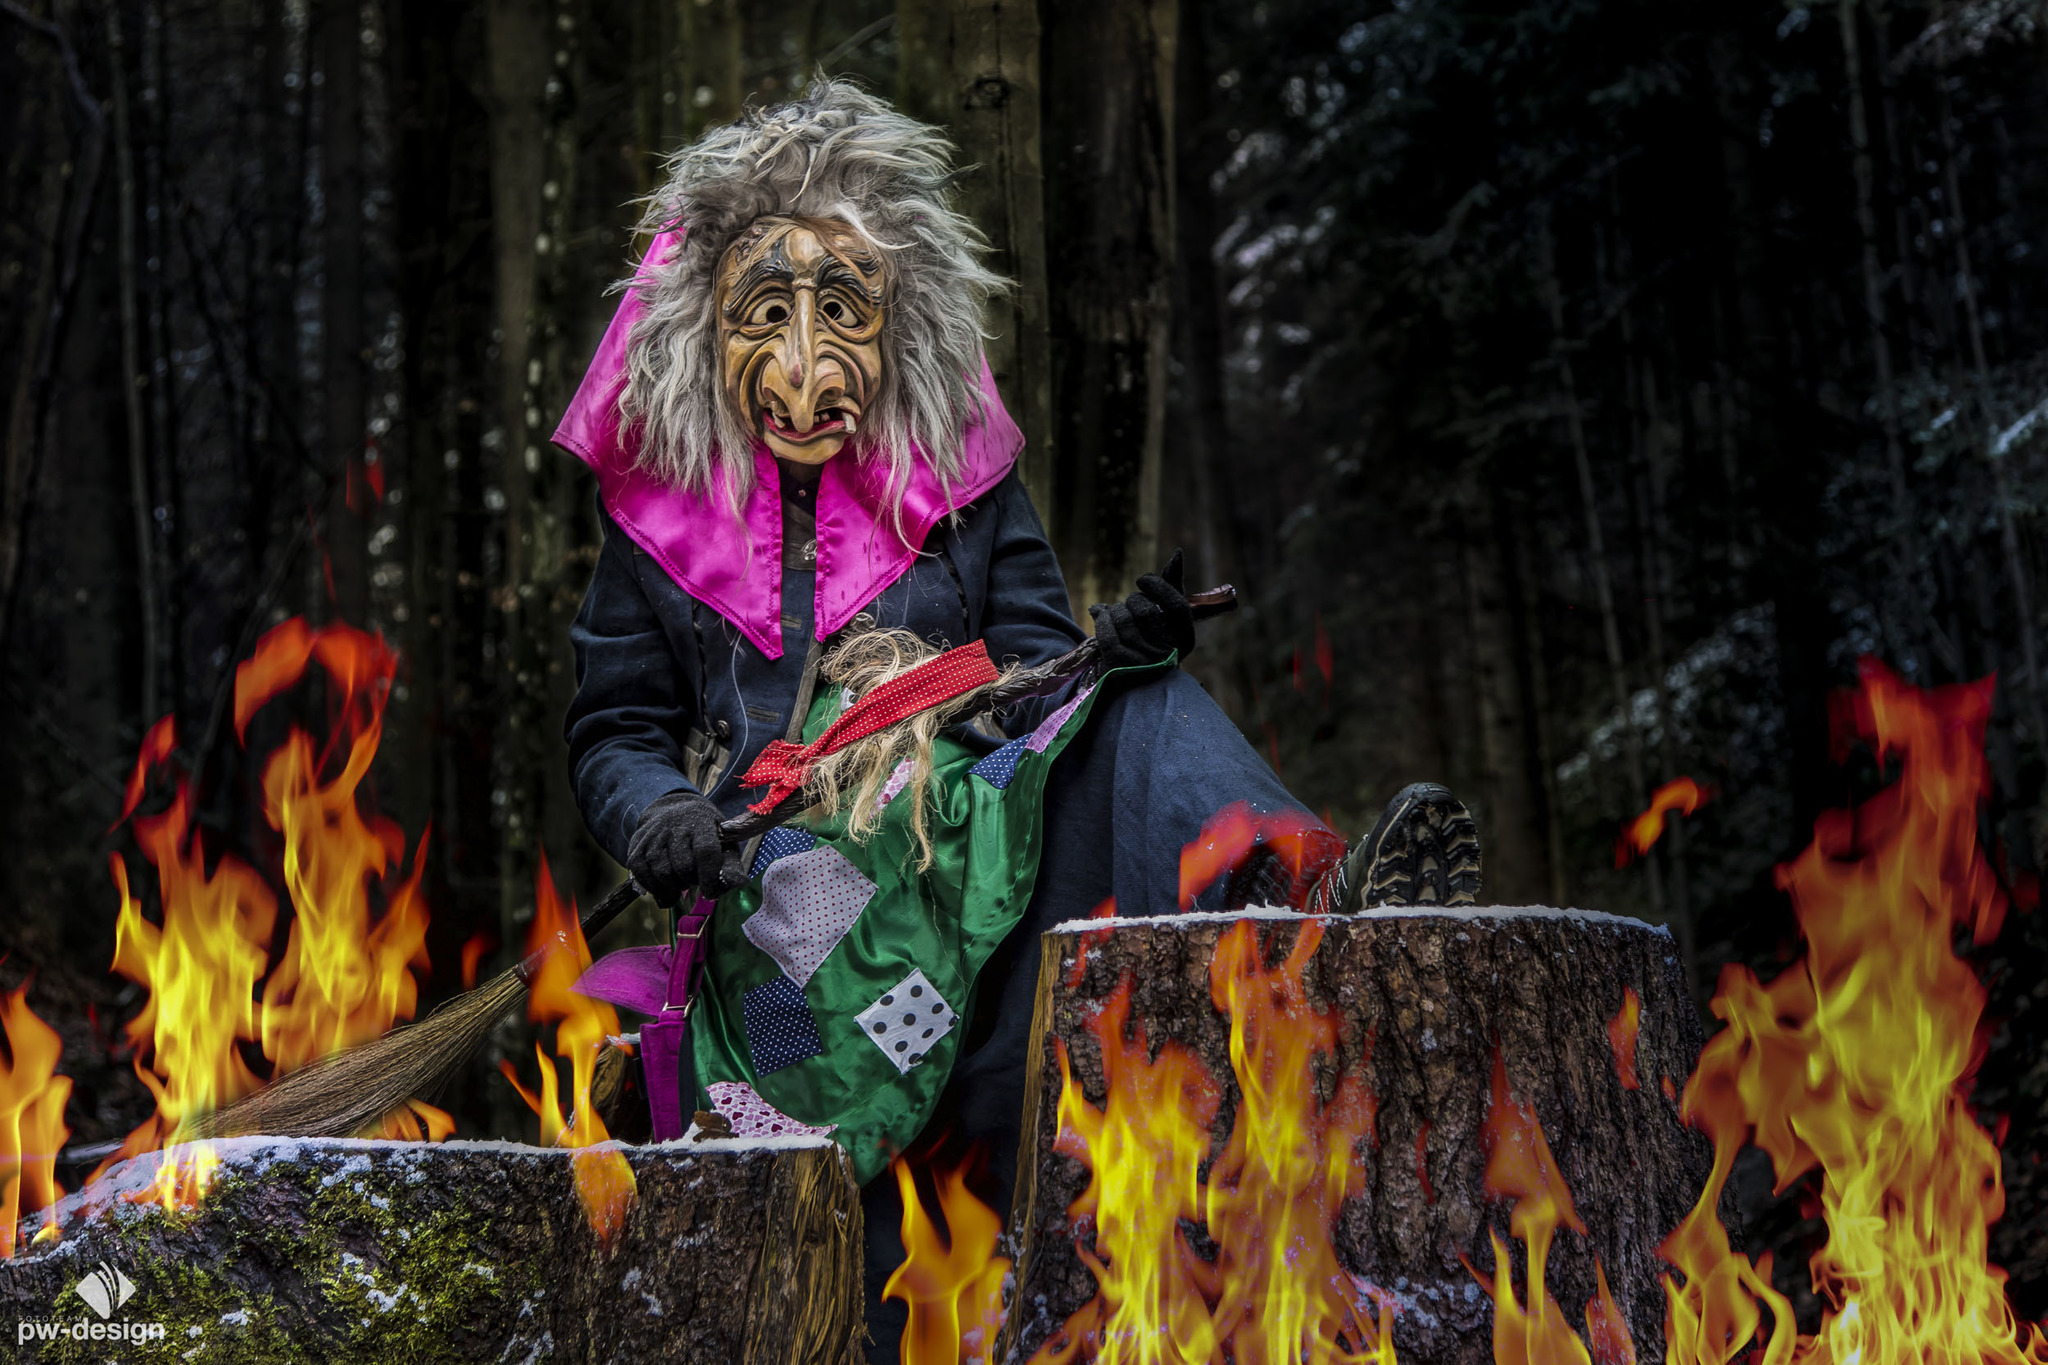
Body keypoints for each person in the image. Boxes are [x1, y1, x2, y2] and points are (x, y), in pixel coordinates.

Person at [553, 77, 1480, 1360]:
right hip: (781, 910)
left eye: (843, 313)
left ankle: (1320, 917)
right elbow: (612, 730)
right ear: (701, 327)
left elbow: (1038, 674)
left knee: (1144, 705)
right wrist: (654, 811)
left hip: (981, 847)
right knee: (861, 1214)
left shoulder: (963, 482)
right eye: (766, 314)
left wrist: (1108, 655)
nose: (807, 366)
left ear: (901, 316)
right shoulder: (652, 526)